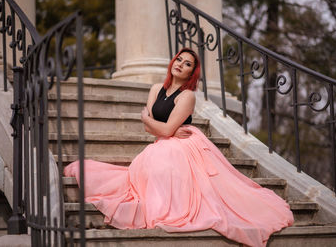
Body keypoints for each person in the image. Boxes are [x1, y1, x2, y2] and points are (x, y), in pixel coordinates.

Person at [64, 48, 294, 247]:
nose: (180, 65)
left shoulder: (188, 96)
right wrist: (162, 128)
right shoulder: (156, 88)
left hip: (184, 144)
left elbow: (157, 127)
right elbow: (155, 131)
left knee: (176, 177)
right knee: (145, 170)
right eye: (179, 60)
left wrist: (148, 120)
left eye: (187, 64)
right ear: (172, 62)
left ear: (191, 73)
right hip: (165, 141)